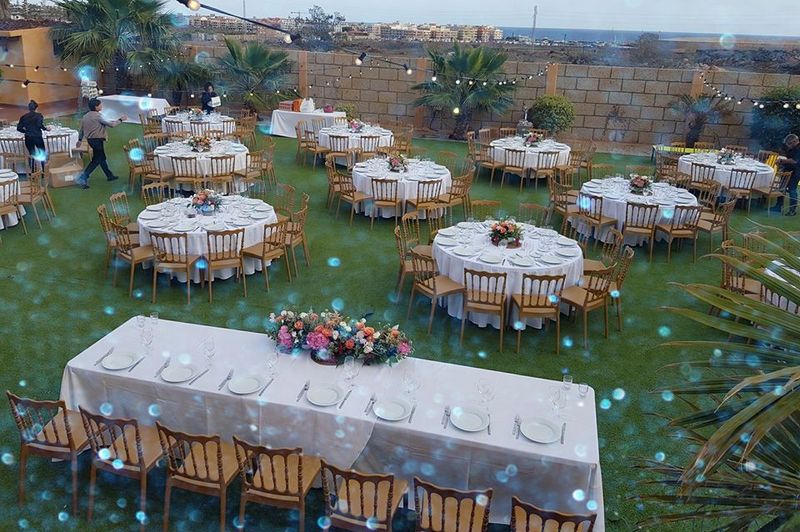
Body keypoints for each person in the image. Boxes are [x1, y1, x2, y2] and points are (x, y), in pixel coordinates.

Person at [75, 98, 127, 189]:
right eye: (100, 105)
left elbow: (82, 130)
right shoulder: (98, 116)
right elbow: (112, 125)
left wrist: (79, 140)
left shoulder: (85, 116)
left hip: (90, 140)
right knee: (97, 159)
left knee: (102, 158)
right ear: (96, 107)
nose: (101, 106)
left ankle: (109, 175)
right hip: (97, 140)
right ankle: (83, 177)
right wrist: (121, 119)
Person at [16, 100, 49, 173]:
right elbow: (39, 125)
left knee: (32, 154)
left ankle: (33, 172)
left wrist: (26, 131)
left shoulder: (23, 117)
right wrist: (45, 128)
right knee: (42, 153)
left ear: (28, 108)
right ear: (36, 108)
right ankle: (43, 171)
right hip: (37, 137)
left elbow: (19, 128)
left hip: (28, 138)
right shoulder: (39, 115)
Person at [773, 133, 800, 216]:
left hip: (796, 172)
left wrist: (782, 161)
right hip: (788, 171)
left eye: (789, 144)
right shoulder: (793, 148)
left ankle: (792, 210)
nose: (788, 146)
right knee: (782, 187)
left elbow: (794, 161)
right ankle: (778, 206)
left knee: (792, 190)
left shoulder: (798, 148)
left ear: (794, 141)